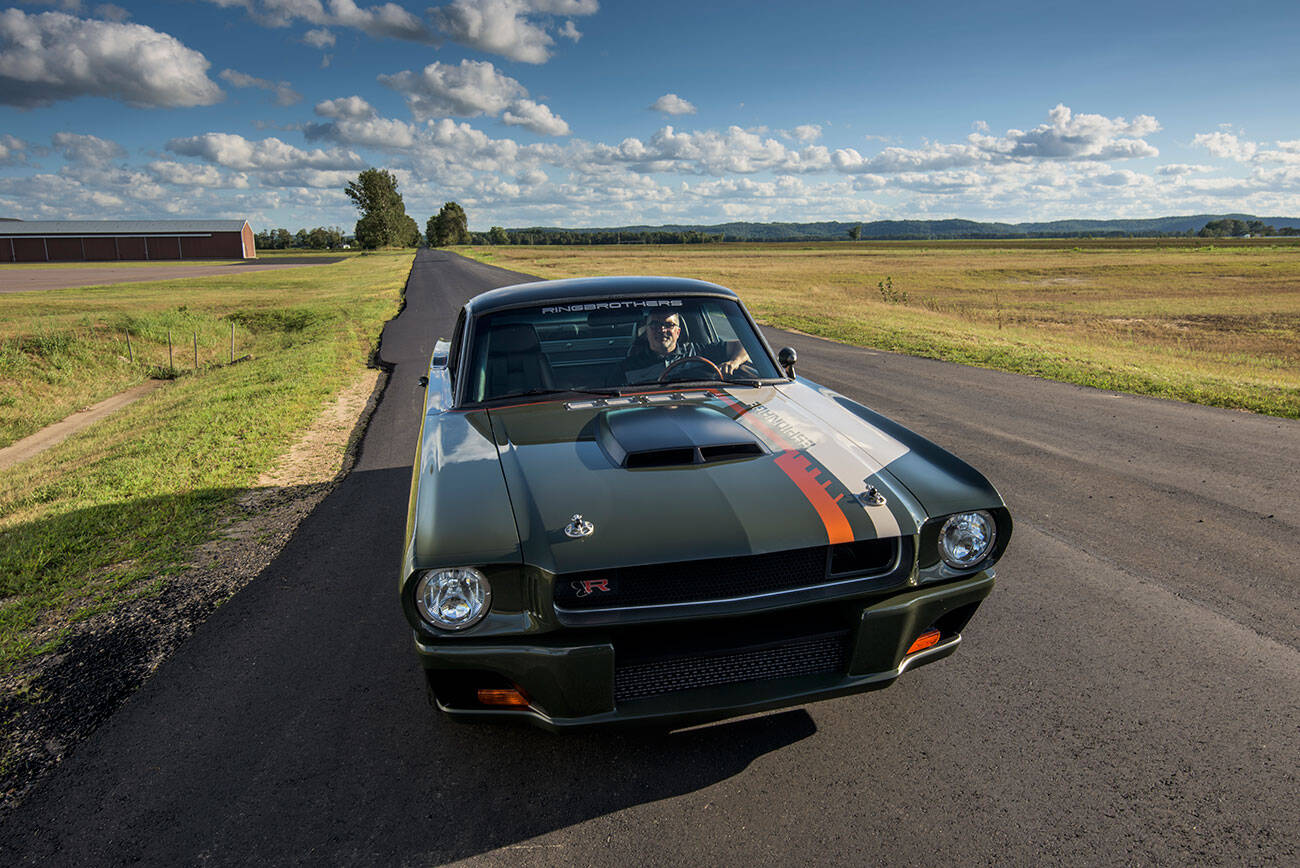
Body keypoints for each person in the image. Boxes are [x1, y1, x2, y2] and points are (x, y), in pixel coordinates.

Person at [621, 310, 750, 384]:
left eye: (669, 325)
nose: (662, 329)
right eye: (655, 324)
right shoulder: (628, 367)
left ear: (678, 332)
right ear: (646, 332)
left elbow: (745, 344)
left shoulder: (699, 351)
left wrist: (734, 362)